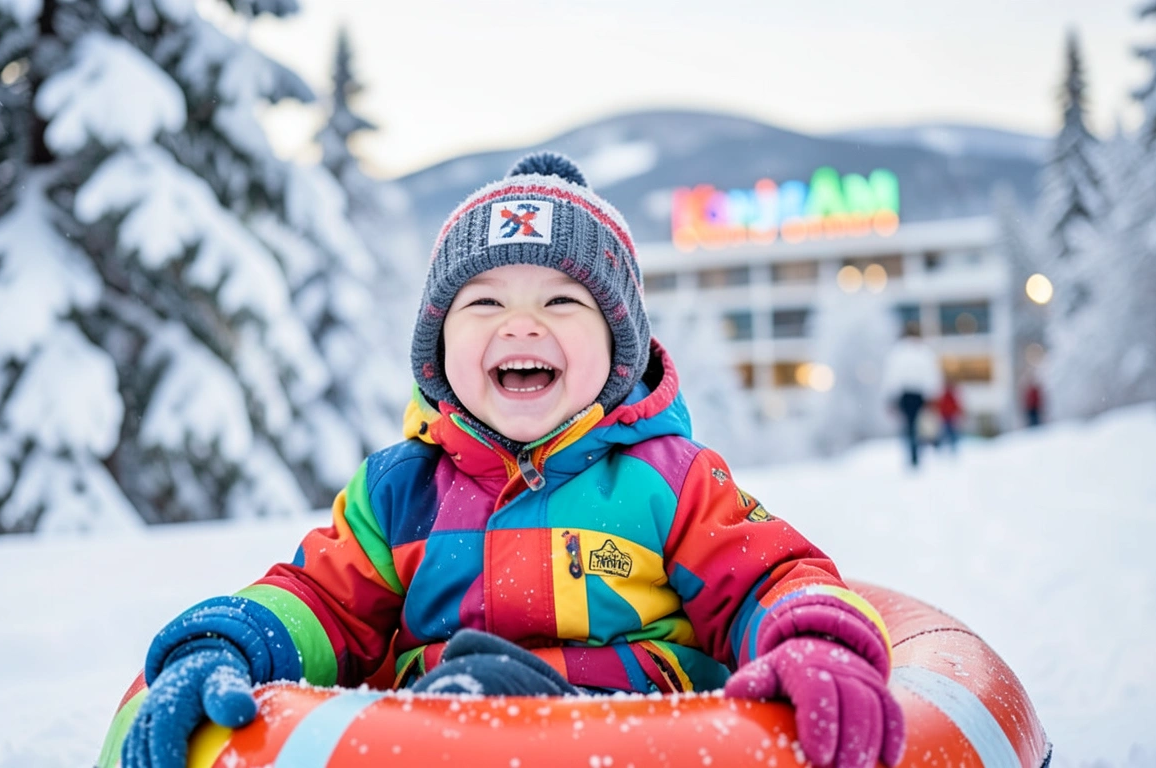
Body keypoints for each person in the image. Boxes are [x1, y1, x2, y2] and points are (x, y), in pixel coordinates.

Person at [120, 154, 905, 768]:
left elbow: (768, 578)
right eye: (485, 303)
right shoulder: (400, 491)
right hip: (430, 742)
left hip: (640, 739)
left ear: (618, 351)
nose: (522, 325)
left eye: (562, 301)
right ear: (439, 349)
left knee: (489, 686)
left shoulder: (671, 480)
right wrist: (231, 641)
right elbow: (321, 601)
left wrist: (813, 643)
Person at [881, 322, 943, 468]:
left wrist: (890, 397)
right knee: (921, 424)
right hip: (921, 394)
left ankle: (912, 452)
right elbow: (932, 375)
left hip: (905, 394)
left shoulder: (898, 352)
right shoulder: (924, 351)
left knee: (909, 424)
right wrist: (934, 394)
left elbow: (892, 376)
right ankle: (919, 449)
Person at [934, 379, 962, 452]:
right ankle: (942, 446)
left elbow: (955, 406)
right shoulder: (945, 396)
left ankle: (951, 446)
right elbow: (941, 406)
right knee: (946, 432)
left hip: (950, 417)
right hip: (946, 417)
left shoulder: (950, 396)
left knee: (949, 432)